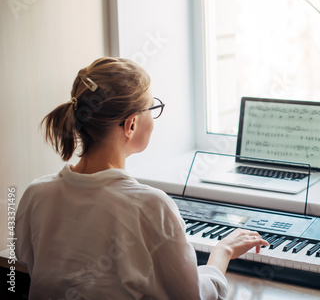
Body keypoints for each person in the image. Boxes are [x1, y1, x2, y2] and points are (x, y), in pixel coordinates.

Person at [15, 57, 269, 299]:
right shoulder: (151, 206)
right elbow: (193, 296)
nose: (155, 118)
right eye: (153, 108)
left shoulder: (36, 194)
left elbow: (27, 258)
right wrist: (221, 253)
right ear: (131, 125)